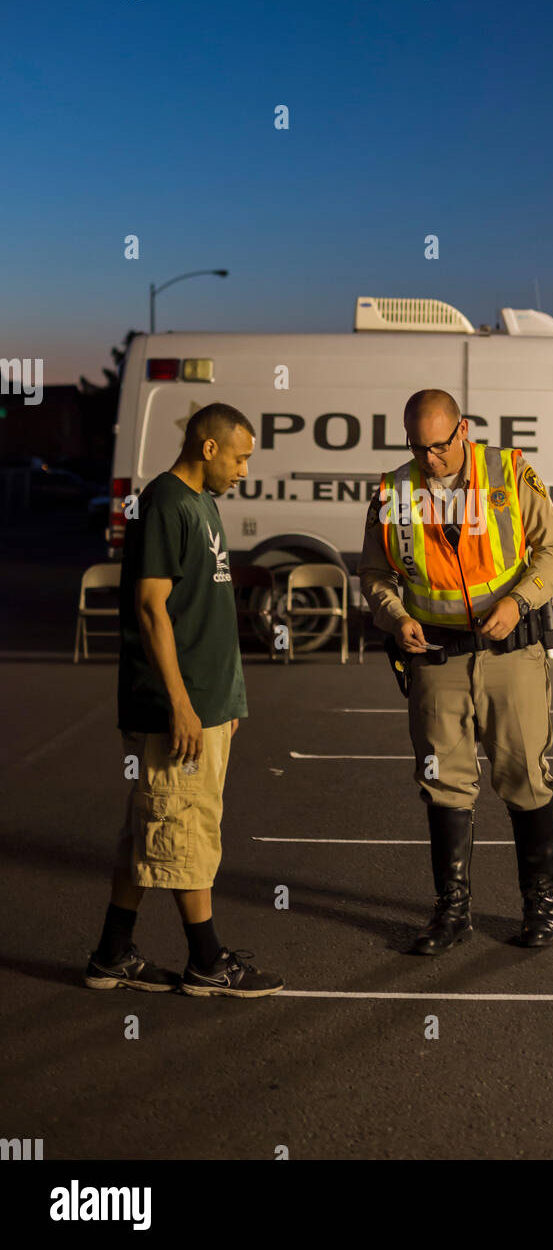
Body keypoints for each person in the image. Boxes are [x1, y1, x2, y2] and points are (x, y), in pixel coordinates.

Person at [359, 389, 553, 956]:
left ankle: (540, 904)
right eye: (417, 447)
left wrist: (521, 601)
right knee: (444, 784)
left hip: (511, 654)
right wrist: (394, 615)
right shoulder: (392, 490)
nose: (430, 459)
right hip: (435, 658)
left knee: (525, 775)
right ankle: (452, 912)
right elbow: (375, 574)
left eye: (439, 445)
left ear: (464, 430)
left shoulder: (508, 472)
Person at [85, 402, 284, 998]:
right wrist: (183, 704)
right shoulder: (165, 504)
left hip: (208, 703)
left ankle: (111, 955)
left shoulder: (204, 505)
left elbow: (209, 614)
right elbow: (151, 608)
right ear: (208, 448)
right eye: (241, 456)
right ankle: (207, 962)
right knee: (184, 831)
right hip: (179, 710)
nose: (245, 469)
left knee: (150, 831)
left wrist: (229, 700)